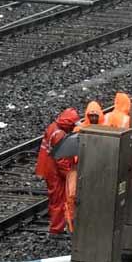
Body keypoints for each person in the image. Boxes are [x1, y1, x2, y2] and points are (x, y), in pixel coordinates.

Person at [35, 108, 79, 235]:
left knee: (56, 200)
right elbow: (61, 160)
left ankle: (58, 227)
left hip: (49, 168)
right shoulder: (60, 134)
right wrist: (69, 176)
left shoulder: (53, 127)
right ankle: (57, 229)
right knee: (58, 201)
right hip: (55, 173)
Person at [65, 101, 104, 232]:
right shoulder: (78, 131)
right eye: (91, 115)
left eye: (95, 115)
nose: (93, 118)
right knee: (72, 196)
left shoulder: (105, 130)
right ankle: (73, 226)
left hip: (96, 170)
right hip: (79, 169)